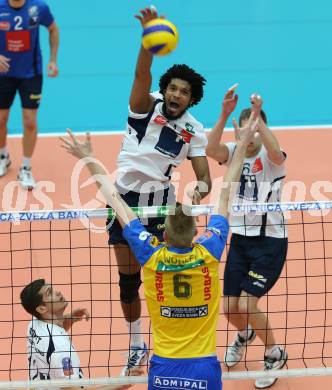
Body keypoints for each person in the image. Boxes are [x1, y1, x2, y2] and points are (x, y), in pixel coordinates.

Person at [60, 110, 258, 389]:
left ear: (163, 233)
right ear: (196, 233)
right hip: (204, 367)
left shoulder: (152, 254)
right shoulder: (209, 249)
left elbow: (115, 199)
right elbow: (226, 193)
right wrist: (242, 147)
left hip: (164, 366)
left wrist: (88, 158)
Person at [106, 5, 211, 374]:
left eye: (184, 92)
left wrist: (200, 187)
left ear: (192, 98)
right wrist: (148, 40)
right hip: (123, 198)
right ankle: (137, 343)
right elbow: (140, 73)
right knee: (128, 281)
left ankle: (172, 339)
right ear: (164, 89)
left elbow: (203, 174)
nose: (176, 94)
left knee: (162, 275)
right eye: (172, 88)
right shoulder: (144, 107)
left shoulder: (195, 130)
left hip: (160, 203)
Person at [206, 85, 288, 389]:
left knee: (247, 304)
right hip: (239, 239)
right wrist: (224, 114)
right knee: (229, 309)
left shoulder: (270, 158)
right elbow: (211, 149)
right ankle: (245, 334)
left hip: (270, 241)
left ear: (261, 129)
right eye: (244, 130)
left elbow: (277, 153)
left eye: (254, 131)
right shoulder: (234, 153)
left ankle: (274, 353)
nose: (248, 137)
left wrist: (258, 118)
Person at [20, 279, 135, 389]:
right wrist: (122, 382)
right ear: (41, 309)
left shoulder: (34, 325)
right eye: (50, 293)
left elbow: (52, 333)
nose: (58, 292)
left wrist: (70, 318)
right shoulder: (60, 350)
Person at [0, 0, 59, 190]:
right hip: (3, 73)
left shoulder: (38, 7)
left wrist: (52, 60)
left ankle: (25, 167)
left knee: (30, 122)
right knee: (1, 119)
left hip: (31, 74)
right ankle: (3, 156)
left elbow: (53, 29)